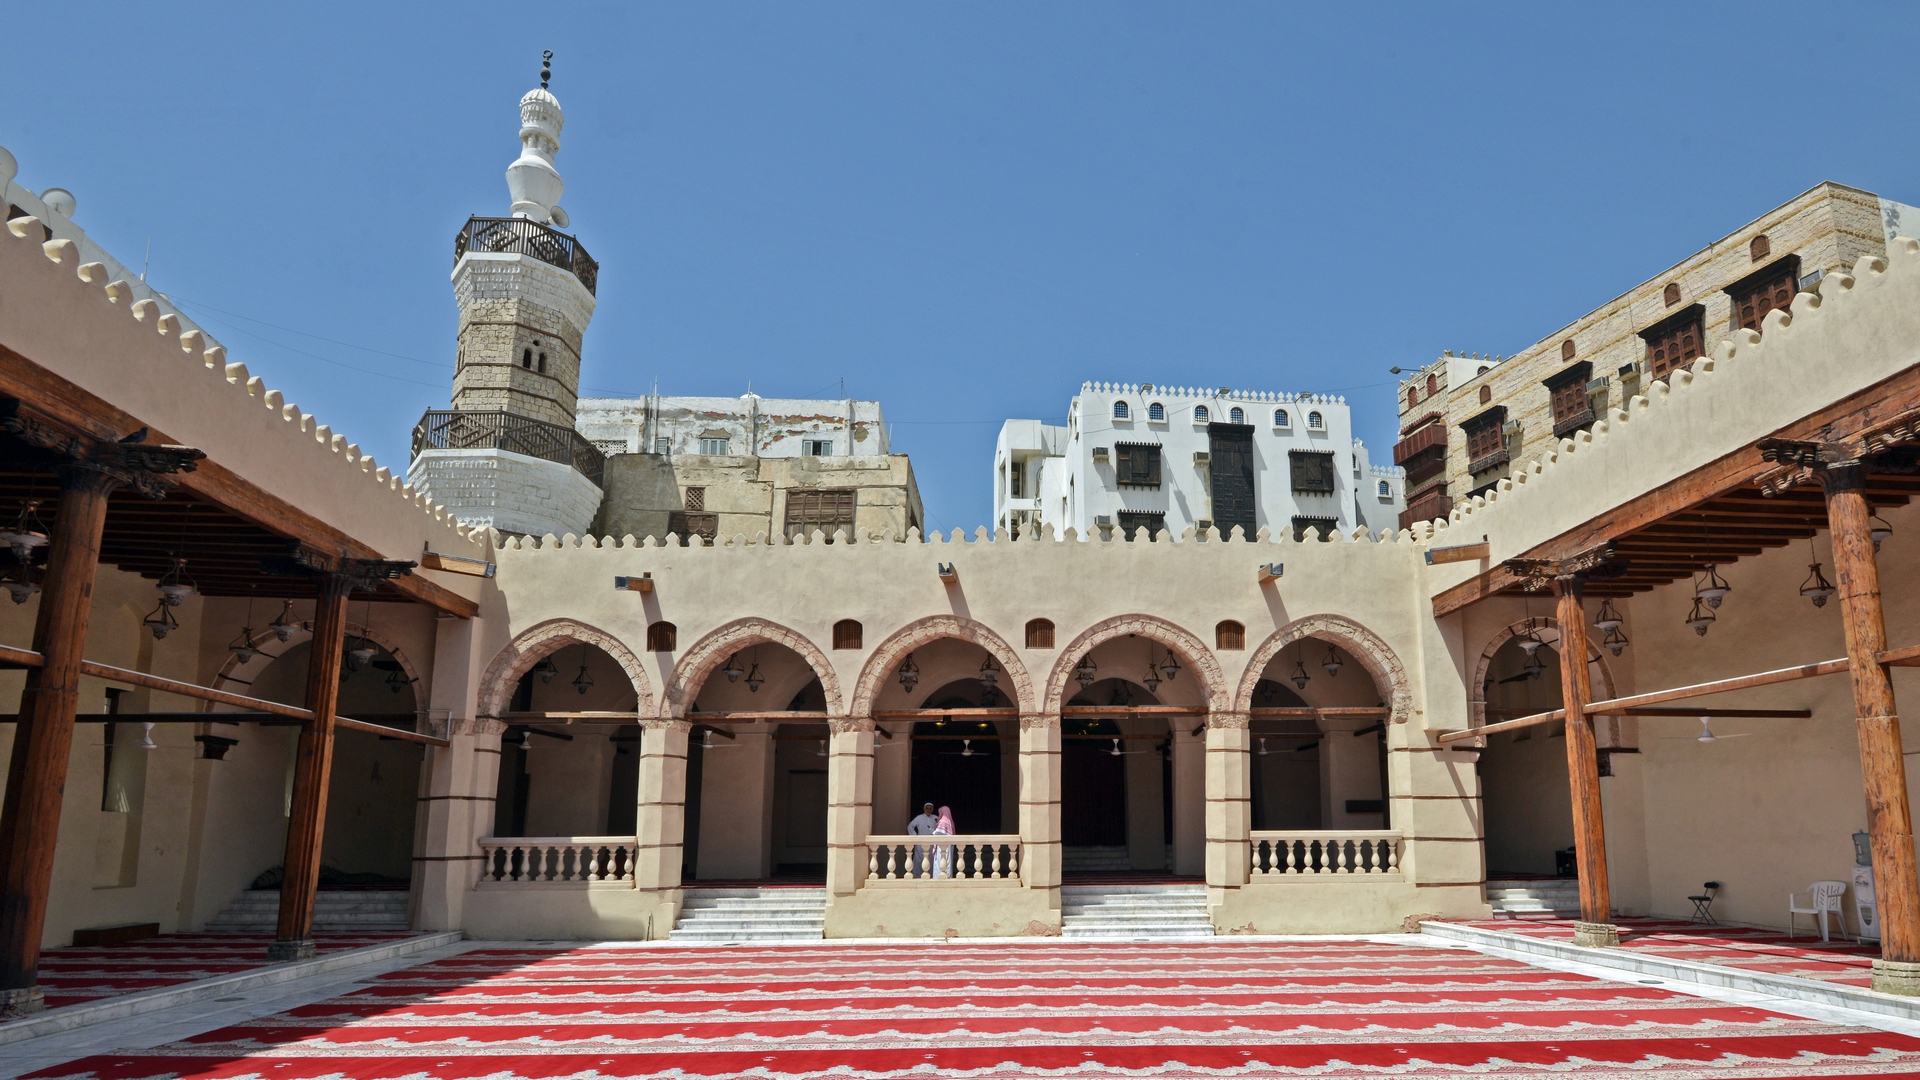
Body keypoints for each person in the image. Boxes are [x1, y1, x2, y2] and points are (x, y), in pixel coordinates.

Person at [907, 802, 939, 878]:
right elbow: (910, 826)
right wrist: (915, 837)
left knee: (931, 861)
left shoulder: (935, 818)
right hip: (920, 844)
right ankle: (917, 877)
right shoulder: (919, 818)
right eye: (927, 808)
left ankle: (931, 877)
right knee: (918, 861)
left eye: (930, 808)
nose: (928, 810)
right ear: (924, 809)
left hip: (932, 844)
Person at [933, 805, 957, 879]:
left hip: (941, 847)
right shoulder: (950, 821)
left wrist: (932, 831)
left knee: (940, 863)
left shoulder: (943, 821)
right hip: (948, 847)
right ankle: (948, 876)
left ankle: (938, 878)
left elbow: (938, 833)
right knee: (948, 862)